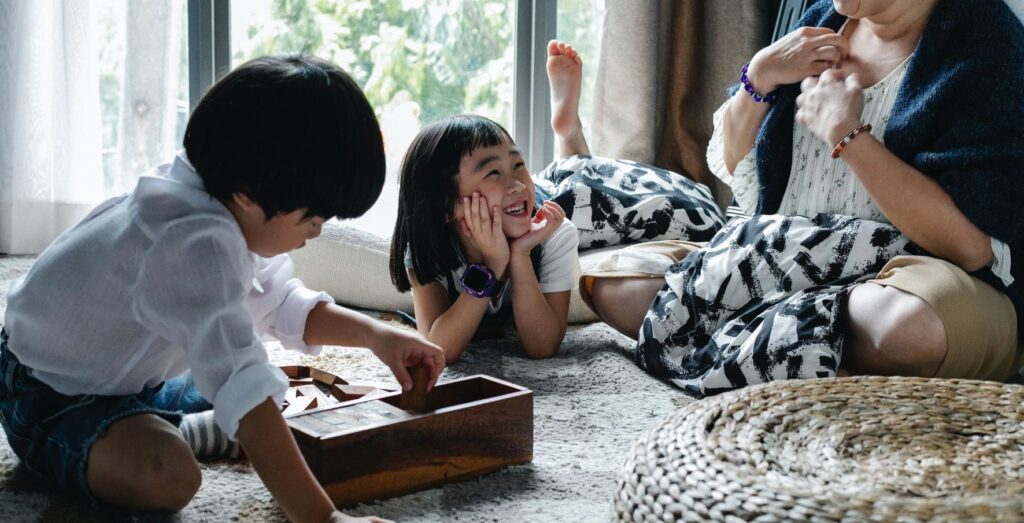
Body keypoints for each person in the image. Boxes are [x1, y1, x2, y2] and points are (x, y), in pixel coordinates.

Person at [0, 55, 445, 523]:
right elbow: (242, 384)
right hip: (50, 396)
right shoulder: (191, 244)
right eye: (312, 218)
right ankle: (187, 430)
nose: (315, 232)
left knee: (277, 391)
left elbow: (279, 303)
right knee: (171, 473)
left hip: (133, 377)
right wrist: (323, 518)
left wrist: (378, 336)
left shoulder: (217, 195)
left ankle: (179, 421)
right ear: (250, 196)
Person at [584, 0, 1024, 390]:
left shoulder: (988, 45)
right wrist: (760, 75)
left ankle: (766, 349)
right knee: (613, 284)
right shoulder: (825, 19)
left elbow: (969, 246)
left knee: (907, 330)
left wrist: (847, 135)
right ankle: (808, 358)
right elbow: (736, 161)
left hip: (912, 279)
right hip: (787, 259)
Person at [388, 41, 593, 363]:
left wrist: (521, 254)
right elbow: (440, 348)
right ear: (445, 206)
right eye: (492, 173)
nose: (513, 183)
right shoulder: (426, 244)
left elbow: (542, 346)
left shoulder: (554, 232)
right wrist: (493, 264)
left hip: (553, 196)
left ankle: (569, 132)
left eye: (517, 164)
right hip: (512, 209)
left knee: (583, 187)